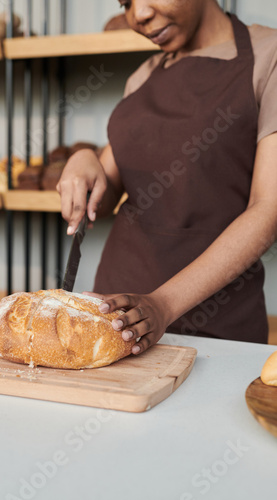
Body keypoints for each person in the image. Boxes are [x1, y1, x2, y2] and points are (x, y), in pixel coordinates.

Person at [57, 0, 277, 354]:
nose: (138, 15)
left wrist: (162, 304)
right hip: (118, 317)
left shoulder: (270, 56)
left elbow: (269, 208)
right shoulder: (142, 77)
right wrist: (84, 159)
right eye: (126, 3)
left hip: (219, 324)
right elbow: (109, 190)